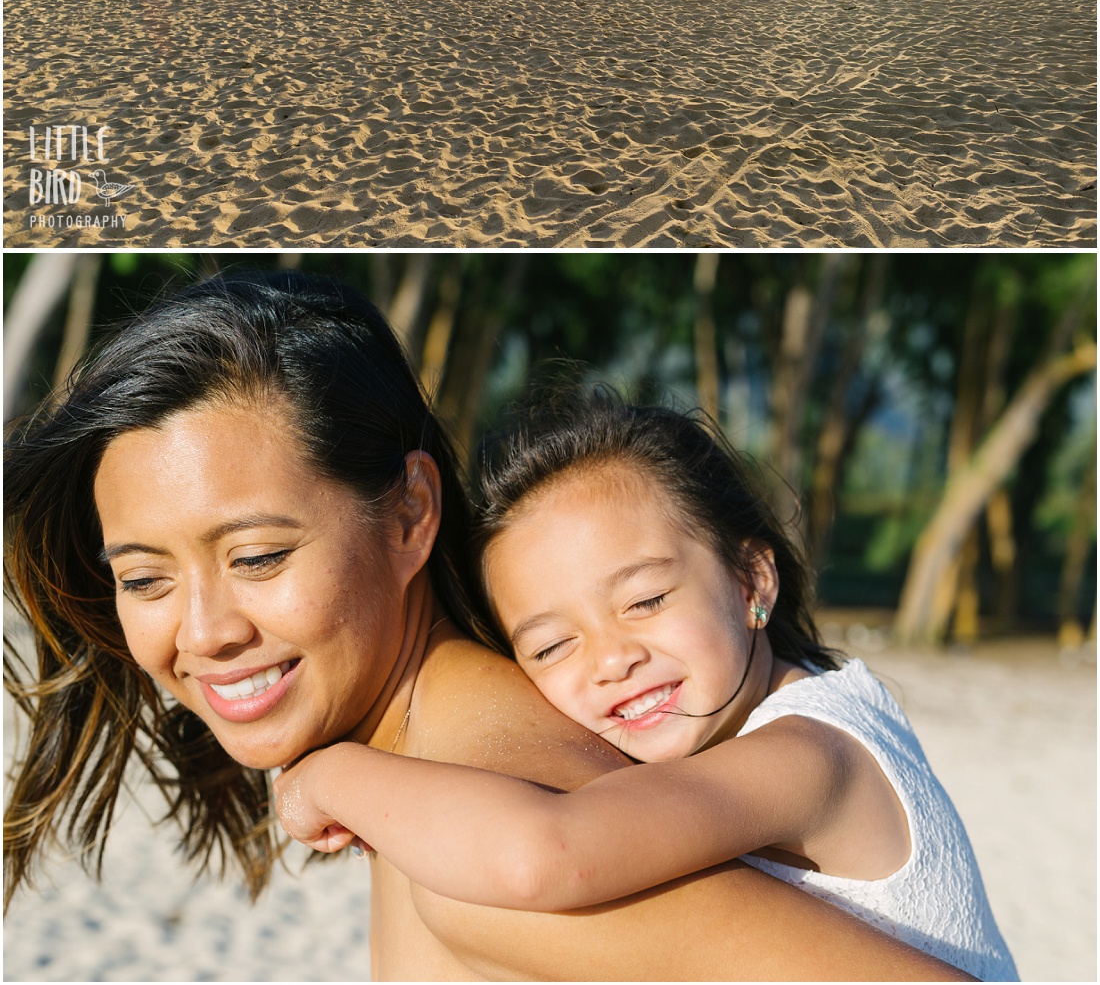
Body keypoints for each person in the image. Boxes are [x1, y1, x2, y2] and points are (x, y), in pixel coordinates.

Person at [4, 271, 969, 983]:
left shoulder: (486, 832)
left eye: (258, 557)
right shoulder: (437, 781)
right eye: (142, 577)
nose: (203, 631)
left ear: (412, 513)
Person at [273, 391, 1016, 984]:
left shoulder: (808, 753)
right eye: (553, 643)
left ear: (750, 577)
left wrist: (328, 774)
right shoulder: (805, 706)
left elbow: (548, 851)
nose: (611, 657)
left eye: (645, 600)